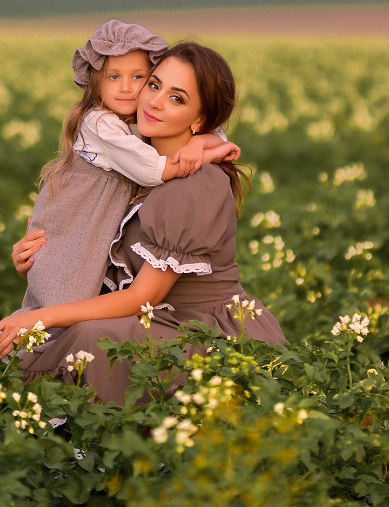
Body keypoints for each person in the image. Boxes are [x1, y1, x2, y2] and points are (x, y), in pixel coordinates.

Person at [0, 41, 285, 404]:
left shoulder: (195, 186)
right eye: (154, 85)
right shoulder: (134, 159)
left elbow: (144, 296)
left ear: (200, 119)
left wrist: (41, 317)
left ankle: (97, 451)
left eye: (177, 98)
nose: (154, 101)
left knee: (87, 338)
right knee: (30, 342)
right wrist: (36, 262)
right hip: (150, 319)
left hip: (200, 331)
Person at [14, 19, 238, 311]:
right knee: (57, 304)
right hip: (76, 218)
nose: (133, 92)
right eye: (154, 85)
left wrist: (199, 145)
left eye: (140, 79)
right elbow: (151, 170)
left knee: (61, 321)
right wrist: (202, 152)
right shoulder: (103, 123)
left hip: (171, 315)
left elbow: (211, 129)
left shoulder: (173, 166)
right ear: (97, 84)